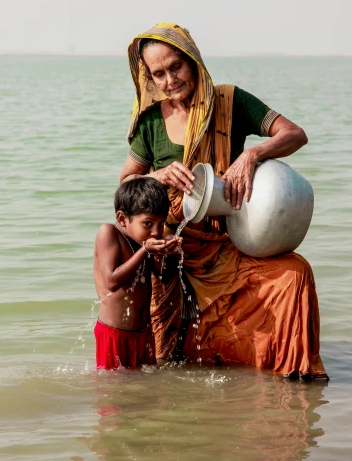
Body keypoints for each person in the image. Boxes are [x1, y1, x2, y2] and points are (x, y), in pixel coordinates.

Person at [119, 23, 328, 380]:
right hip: (173, 248)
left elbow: (295, 134)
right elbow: (126, 184)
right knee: (158, 358)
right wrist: (159, 175)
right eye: (159, 74)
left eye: (176, 67)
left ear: (193, 61)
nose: (170, 80)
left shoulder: (231, 102)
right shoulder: (150, 122)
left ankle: (294, 383)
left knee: (294, 274)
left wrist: (252, 156)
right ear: (150, 79)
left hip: (228, 242)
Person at [93, 177, 182, 370]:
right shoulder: (109, 233)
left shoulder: (143, 241)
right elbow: (111, 281)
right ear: (122, 219)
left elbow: (163, 277)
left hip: (144, 333)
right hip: (114, 335)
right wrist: (146, 251)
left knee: (144, 393)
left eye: (161, 224)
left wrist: (166, 254)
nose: (156, 232)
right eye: (148, 223)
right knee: (114, 393)